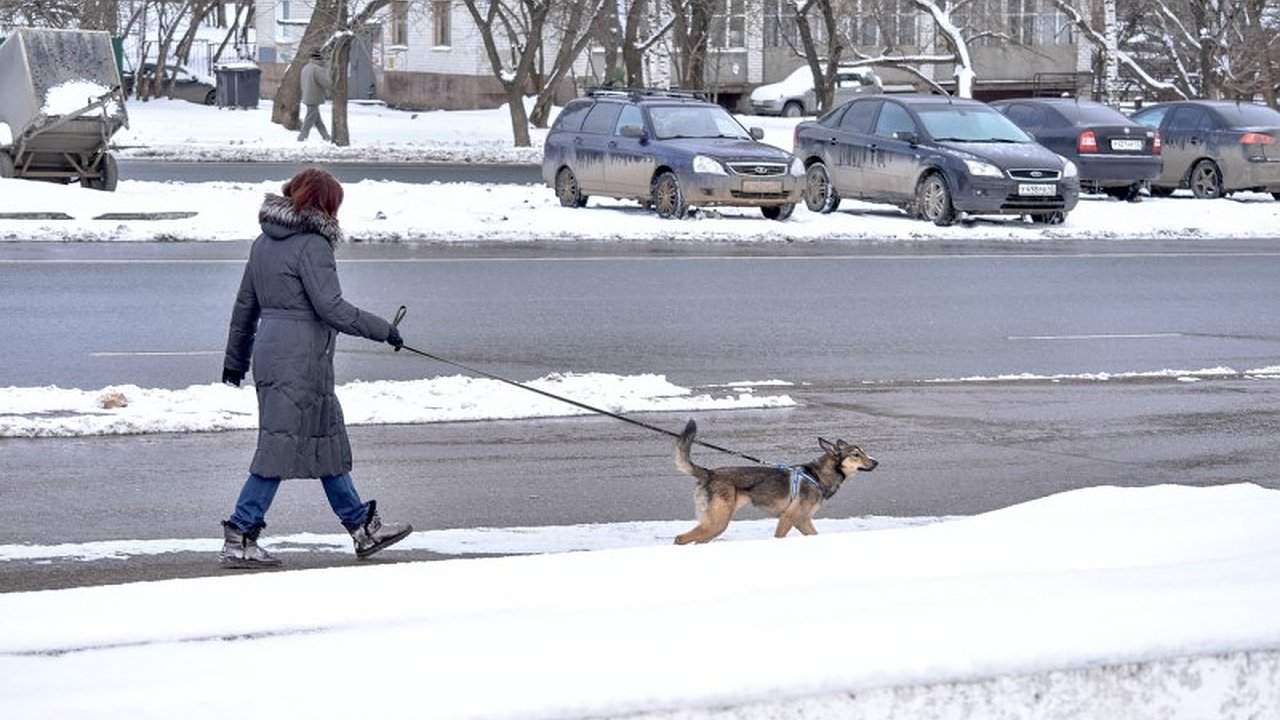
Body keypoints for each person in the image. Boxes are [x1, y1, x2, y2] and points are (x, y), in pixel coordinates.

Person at [219, 167, 411, 568]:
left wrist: (235, 360)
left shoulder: (262, 243)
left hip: (276, 356)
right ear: (325, 204)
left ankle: (362, 528)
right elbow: (332, 309)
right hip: (300, 361)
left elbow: (244, 307)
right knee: (279, 446)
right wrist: (384, 330)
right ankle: (240, 533)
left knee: (326, 443)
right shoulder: (313, 245)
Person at [298, 51, 332, 142]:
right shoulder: (317, 69)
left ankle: (326, 136)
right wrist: (334, 86)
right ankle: (302, 137)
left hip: (307, 95)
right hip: (314, 97)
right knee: (310, 118)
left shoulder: (305, 68)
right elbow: (325, 82)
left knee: (317, 119)